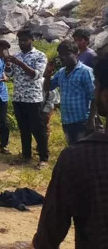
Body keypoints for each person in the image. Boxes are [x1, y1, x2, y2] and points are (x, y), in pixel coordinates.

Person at [33, 56, 108, 249]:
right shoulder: (79, 155)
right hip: (69, 119)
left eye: (97, 86)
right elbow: (48, 87)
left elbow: (48, 235)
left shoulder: (78, 158)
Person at [6, 29, 49, 168]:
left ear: (32, 40)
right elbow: (9, 74)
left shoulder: (40, 56)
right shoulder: (17, 55)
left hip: (33, 98)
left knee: (37, 128)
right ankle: (26, 155)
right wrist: (8, 64)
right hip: (18, 97)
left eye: (25, 40)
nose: (22, 43)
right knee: (23, 128)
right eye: (20, 41)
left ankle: (44, 158)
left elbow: (36, 75)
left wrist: (20, 63)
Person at [44, 40, 95, 145]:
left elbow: (94, 97)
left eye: (67, 54)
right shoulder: (61, 72)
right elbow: (47, 88)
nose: (63, 57)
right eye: (60, 55)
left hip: (82, 120)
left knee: (83, 152)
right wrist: (48, 73)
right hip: (67, 120)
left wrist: (91, 120)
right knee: (72, 151)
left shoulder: (85, 72)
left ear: (76, 54)